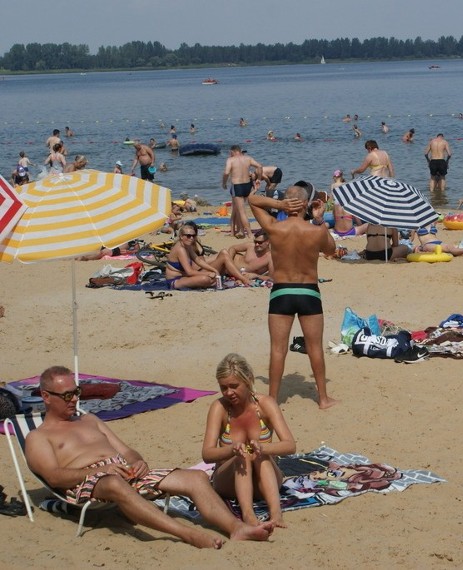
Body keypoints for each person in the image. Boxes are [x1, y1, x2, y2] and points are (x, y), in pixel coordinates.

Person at [25, 366, 276, 548]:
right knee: (114, 483)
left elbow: (127, 451)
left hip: (125, 473)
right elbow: (54, 477)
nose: (75, 399)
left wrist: (136, 461)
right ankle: (187, 534)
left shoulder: (89, 420)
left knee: (196, 477)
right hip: (88, 483)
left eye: (77, 391)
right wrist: (99, 472)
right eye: (67, 395)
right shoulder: (38, 437)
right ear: (46, 397)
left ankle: (236, 528)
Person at [248, 186, 338, 409]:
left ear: (287, 203)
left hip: (282, 292)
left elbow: (252, 200)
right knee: (315, 348)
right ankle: (323, 399)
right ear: (306, 204)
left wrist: (278, 205)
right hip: (308, 292)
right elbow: (331, 249)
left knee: (278, 349)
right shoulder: (316, 231)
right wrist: (319, 221)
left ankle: (272, 400)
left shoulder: (274, 227)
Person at [202, 353, 296, 528]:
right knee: (243, 455)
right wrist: (231, 450)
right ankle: (248, 516)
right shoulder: (219, 408)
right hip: (228, 480)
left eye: (234, 386)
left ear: (248, 380)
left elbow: (290, 445)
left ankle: (276, 514)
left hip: (263, 479)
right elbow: (207, 453)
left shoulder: (265, 404)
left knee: (260, 455)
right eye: (224, 388)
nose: (229, 393)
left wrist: (263, 448)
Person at [164, 221, 251, 289]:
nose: (191, 238)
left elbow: (198, 260)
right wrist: (209, 273)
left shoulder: (187, 245)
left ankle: (242, 279)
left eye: (193, 236)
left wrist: (214, 270)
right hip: (176, 280)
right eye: (188, 236)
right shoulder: (180, 249)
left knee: (224, 254)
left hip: (188, 275)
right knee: (206, 279)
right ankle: (240, 279)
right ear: (181, 236)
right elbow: (189, 271)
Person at [222, 145, 262, 239]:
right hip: (247, 185)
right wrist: (259, 179)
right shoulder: (248, 158)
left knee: (241, 211)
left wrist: (224, 183)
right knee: (240, 209)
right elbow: (259, 166)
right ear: (240, 151)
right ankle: (241, 231)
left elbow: (226, 172)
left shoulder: (230, 160)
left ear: (232, 151)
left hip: (237, 185)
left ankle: (249, 234)